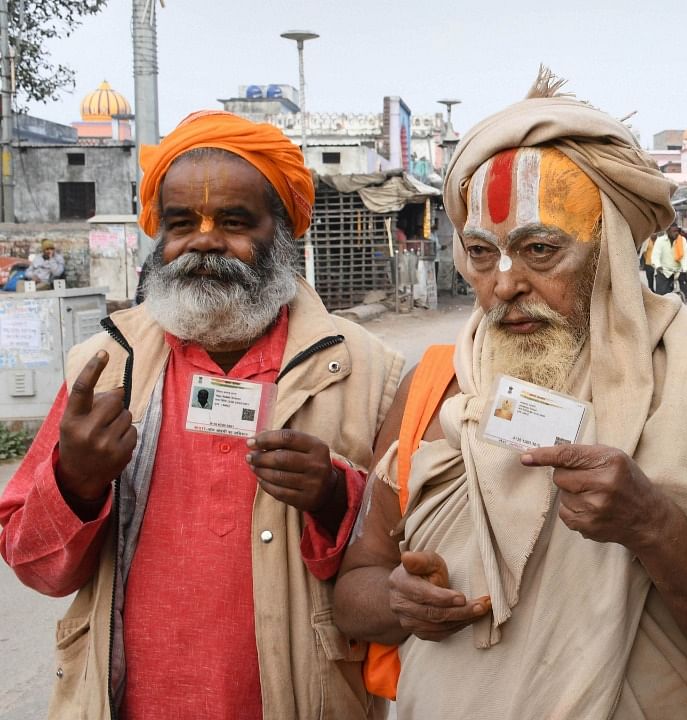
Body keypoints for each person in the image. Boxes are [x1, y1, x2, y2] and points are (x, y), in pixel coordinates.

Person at [333, 71, 687, 719]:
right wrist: (397, 600)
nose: (506, 282)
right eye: (482, 254)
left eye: (540, 249)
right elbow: (356, 586)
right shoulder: (436, 383)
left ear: (608, 251)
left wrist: (654, 526)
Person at [0, 111, 403, 720]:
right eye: (182, 222)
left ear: (284, 232)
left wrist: (332, 495)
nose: (205, 240)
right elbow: (37, 570)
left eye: (236, 222)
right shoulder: (106, 364)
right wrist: (74, 482)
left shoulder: (371, 371)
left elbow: (402, 573)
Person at [652, 223, 687, 296]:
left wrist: (685, 268)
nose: (676, 233)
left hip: (678, 271)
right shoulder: (660, 240)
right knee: (662, 296)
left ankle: (684, 299)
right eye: (674, 231)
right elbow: (655, 256)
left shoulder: (682, 240)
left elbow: (685, 256)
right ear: (667, 231)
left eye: (677, 231)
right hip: (664, 270)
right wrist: (658, 266)